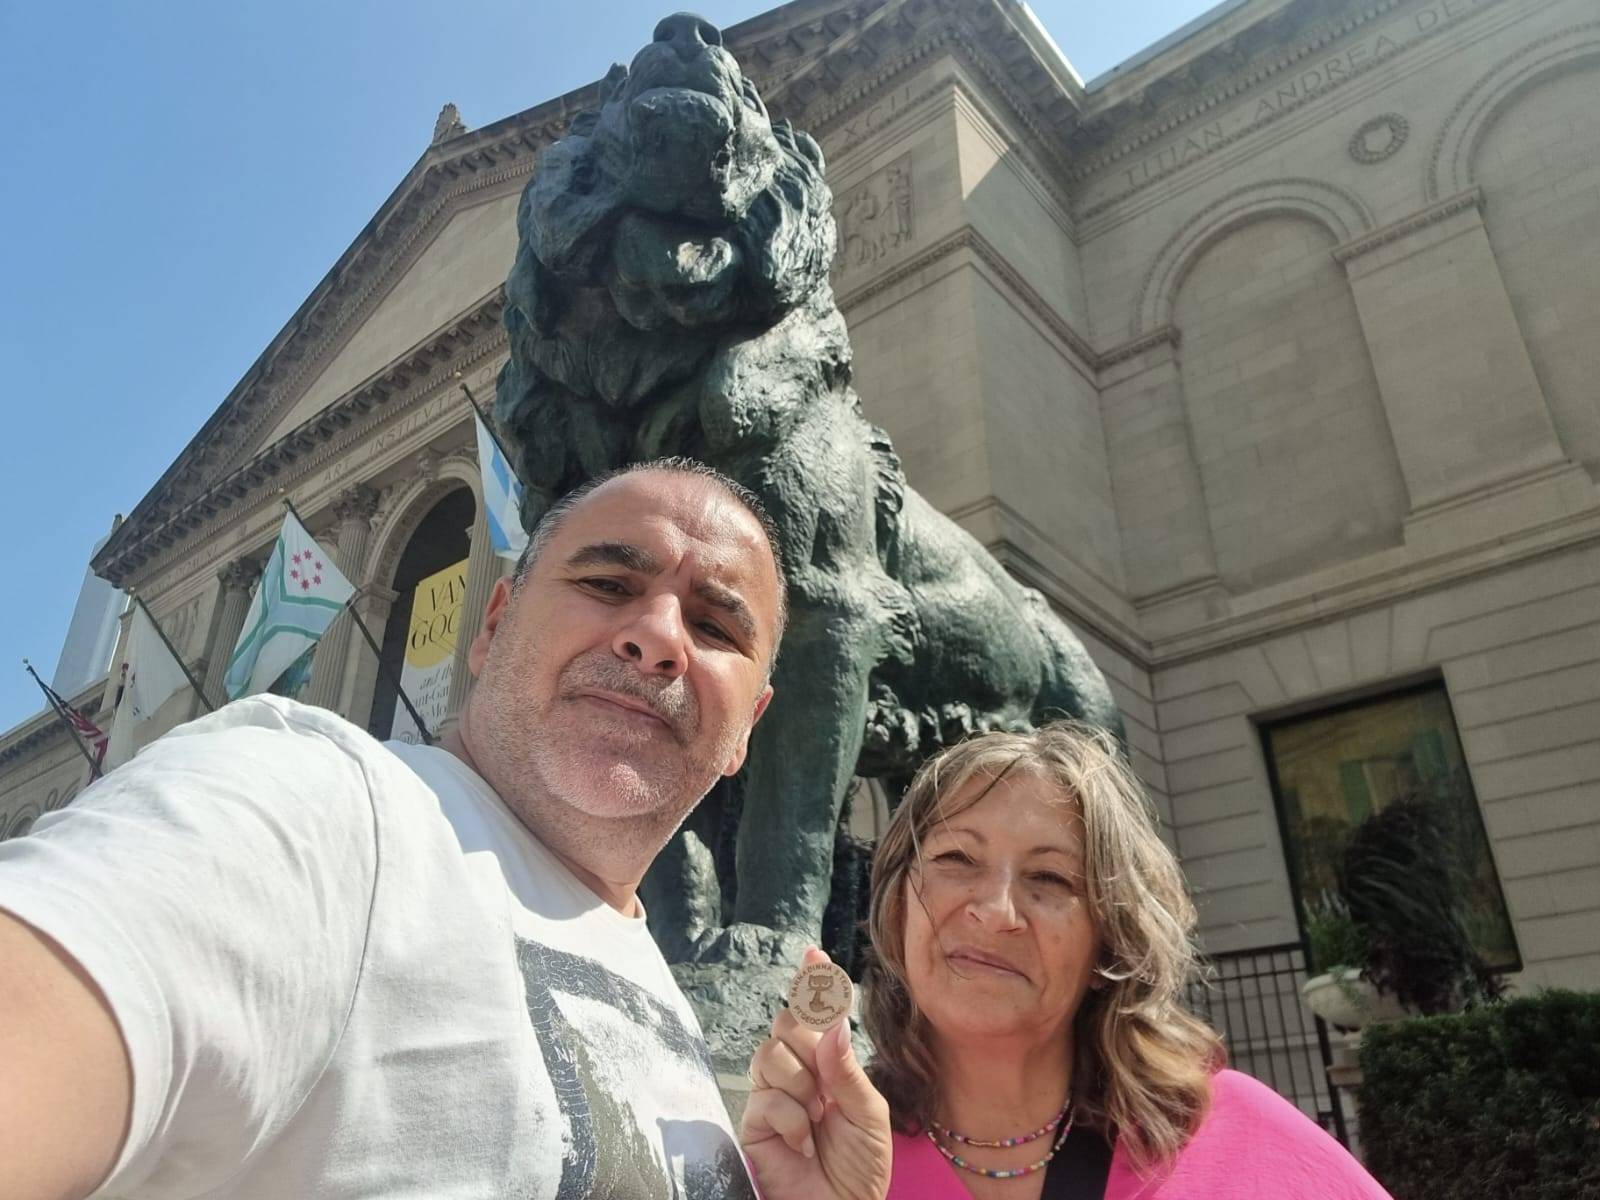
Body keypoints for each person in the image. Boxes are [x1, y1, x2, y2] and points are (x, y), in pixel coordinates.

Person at [0, 458, 792, 1200]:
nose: (657, 637)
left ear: (748, 729)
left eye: (716, 628)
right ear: (493, 624)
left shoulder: (665, 997)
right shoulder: (318, 809)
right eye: (608, 583)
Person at [743, 722, 1393, 1200]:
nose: (996, 911)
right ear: (897, 906)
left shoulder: (1241, 1137)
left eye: (1050, 879)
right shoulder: (817, 1155)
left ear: (1110, 939)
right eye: (956, 859)